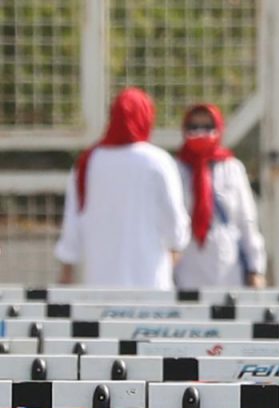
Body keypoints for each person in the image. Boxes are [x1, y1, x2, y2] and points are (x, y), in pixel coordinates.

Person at [55, 87, 189, 289]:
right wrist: (176, 245)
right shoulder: (158, 161)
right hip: (150, 282)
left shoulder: (88, 161)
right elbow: (174, 219)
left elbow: (72, 221)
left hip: (99, 283)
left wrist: (67, 269)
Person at [173, 104, 266, 288]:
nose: (200, 133)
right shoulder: (175, 168)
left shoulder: (232, 168)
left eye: (207, 127)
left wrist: (256, 268)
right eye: (194, 127)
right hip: (187, 263)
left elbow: (246, 220)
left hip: (226, 263)